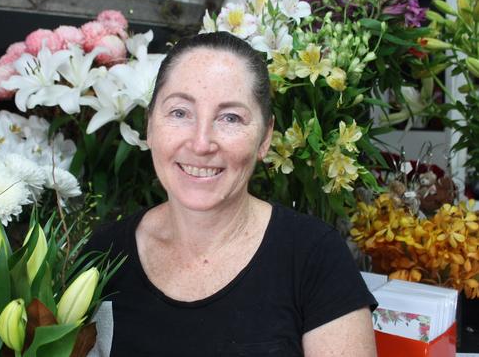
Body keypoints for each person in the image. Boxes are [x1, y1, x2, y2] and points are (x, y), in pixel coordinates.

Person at [85, 31, 377, 357]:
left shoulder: (314, 257)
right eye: (180, 112)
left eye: (230, 118)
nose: (201, 143)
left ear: (265, 138)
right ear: (150, 126)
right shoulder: (103, 254)